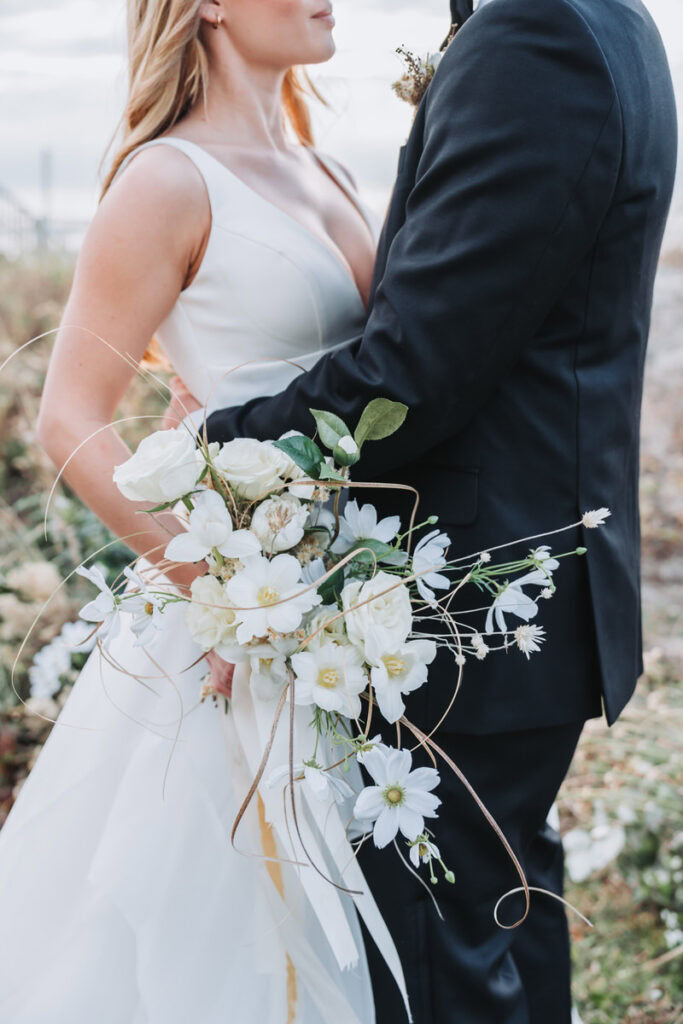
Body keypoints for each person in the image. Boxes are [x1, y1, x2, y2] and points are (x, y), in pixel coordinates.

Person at [173, 0, 678, 1020]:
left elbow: (414, 373)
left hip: (464, 601)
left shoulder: (531, 37)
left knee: (438, 967)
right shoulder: (613, 23)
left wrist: (210, 444)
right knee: (502, 918)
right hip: (526, 582)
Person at [0, 1, 393, 1020]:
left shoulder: (330, 173)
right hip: (230, 628)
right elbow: (69, 420)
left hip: (348, 611)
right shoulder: (166, 179)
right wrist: (223, 596)